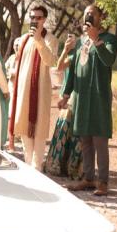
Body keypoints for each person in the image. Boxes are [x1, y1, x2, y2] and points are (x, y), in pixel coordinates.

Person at [59, 4, 117, 196]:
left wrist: (96, 40)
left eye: (92, 14)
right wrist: (66, 94)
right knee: (85, 140)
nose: (88, 17)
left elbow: (109, 61)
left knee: (99, 139)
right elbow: (73, 71)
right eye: (86, 14)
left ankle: (103, 182)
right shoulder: (80, 41)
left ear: (101, 17)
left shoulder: (109, 39)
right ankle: (88, 178)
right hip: (82, 97)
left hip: (99, 96)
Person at [9, 6, 58, 169]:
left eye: (38, 17)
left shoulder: (50, 39)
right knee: (24, 129)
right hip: (23, 91)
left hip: (40, 91)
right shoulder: (24, 39)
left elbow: (51, 61)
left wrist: (39, 39)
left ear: (44, 19)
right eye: (32, 17)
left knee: (39, 130)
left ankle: (37, 168)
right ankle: (29, 166)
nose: (34, 20)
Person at [44, 33, 82, 180]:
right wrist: (65, 50)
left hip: (73, 97)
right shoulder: (71, 56)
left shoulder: (79, 56)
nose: (71, 42)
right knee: (63, 131)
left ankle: (72, 167)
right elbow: (59, 66)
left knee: (72, 133)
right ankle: (58, 164)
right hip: (66, 94)